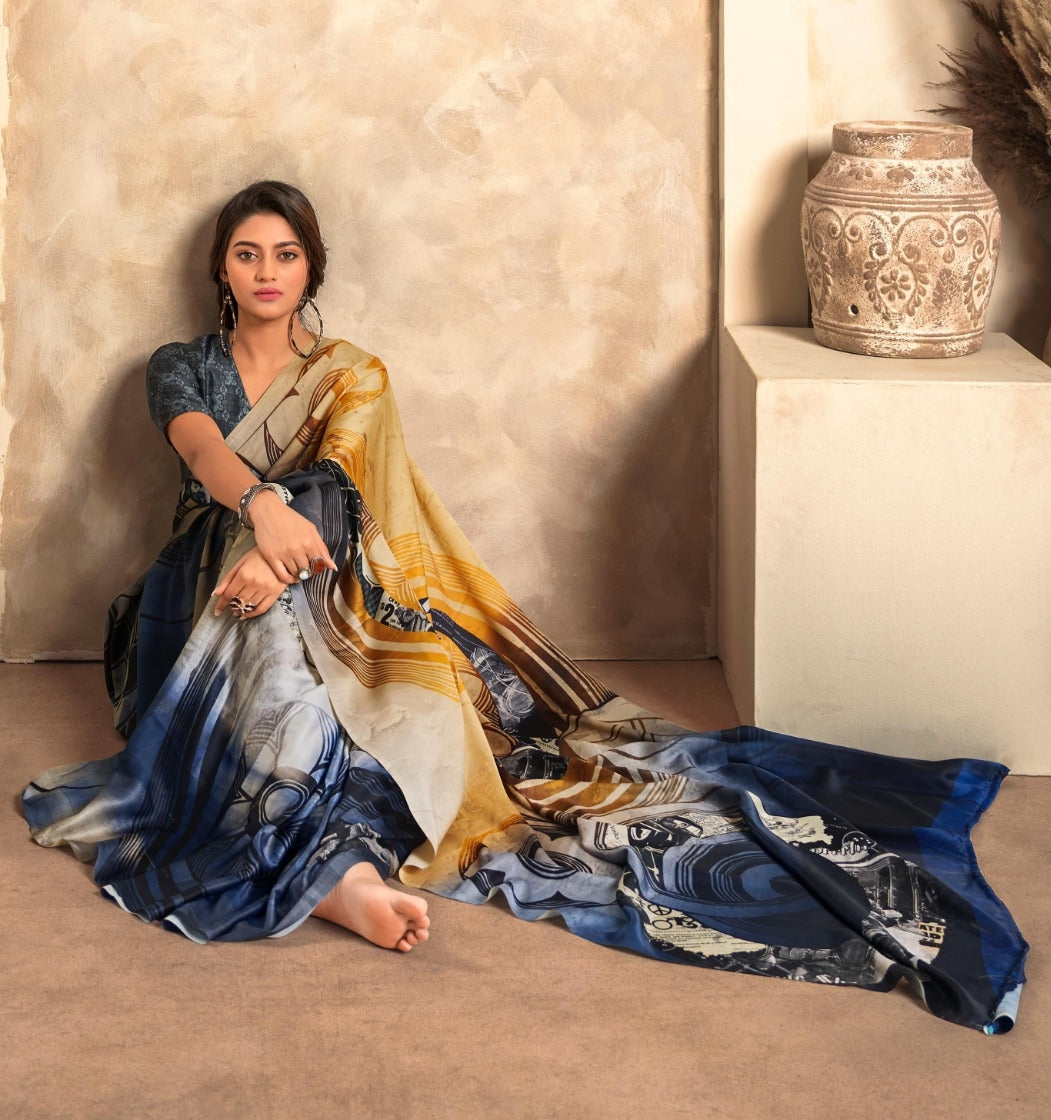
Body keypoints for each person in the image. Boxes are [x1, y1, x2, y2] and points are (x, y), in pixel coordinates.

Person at [22, 182, 1028, 1030]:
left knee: (336, 685)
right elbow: (201, 448)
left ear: (311, 268)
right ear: (221, 268)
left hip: (326, 584)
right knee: (267, 638)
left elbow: (344, 492)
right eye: (247, 254)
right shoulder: (181, 365)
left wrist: (284, 554)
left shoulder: (352, 373)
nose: (266, 272)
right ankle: (326, 871)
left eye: (286, 254)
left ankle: (331, 871)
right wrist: (258, 516)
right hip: (201, 582)